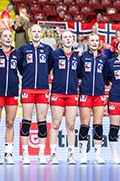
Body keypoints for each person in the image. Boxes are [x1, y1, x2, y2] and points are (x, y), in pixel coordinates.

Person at [17, 24, 54, 164]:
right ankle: (25, 154)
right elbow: (20, 67)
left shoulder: (48, 50)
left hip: (42, 89)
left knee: (42, 121)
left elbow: (49, 66)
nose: (37, 34)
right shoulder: (23, 49)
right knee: (26, 121)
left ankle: (41, 153)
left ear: (42, 33)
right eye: (34, 31)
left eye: (39, 31)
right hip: (27, 88)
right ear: (30, 33)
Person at [0, 28, 20, 165]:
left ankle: (8, 153)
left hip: (12, 92)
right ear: (0, 39)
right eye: (5, 36)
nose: (8, 38)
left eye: (9, 36)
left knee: (10, 123)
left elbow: (22, 69)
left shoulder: (17, 54)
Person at [49, 31, 80, 164]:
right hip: (57, 93)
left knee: (71, 125)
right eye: (65, 37)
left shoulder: (77, 56)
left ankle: (71, 154)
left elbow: (80, 73)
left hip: (72, 94)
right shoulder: (55, 54)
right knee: (56, 124)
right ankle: (53, 154)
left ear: (73, 40)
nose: (68, 39)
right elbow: (46, 69)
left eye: (70, 37)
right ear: (61, 40)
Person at [77, 33, 108, 164]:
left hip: (99, 94)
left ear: (99, 43)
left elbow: (106, 75)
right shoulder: (82, 56)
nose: (94, 43)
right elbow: (78, 73)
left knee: (98, 124)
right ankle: (83, 154)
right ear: (88, 43)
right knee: (85, 124)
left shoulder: (104, 58)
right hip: (86, 93)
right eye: (92, 40)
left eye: (96, 40)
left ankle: (97, 155)